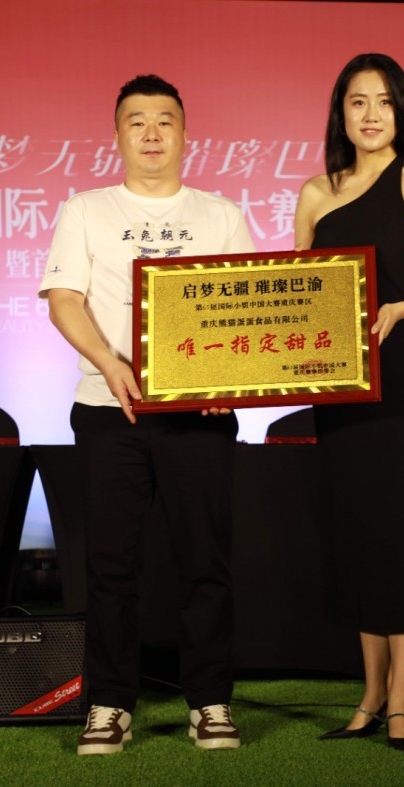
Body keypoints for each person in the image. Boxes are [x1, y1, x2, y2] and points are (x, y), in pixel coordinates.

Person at [39, 74, 256, 755]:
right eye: (137, 121)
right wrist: (110, 363)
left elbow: (245, 306)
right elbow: (65, 300)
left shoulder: (221, 214)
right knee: (110, 566)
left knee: (205, 562)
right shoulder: (85, 210)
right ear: (117, 136)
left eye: (165, 120)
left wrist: (228, 381)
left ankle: (210, 700)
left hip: (200, 415)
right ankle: (109, 703)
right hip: (109, 411)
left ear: (186, 135)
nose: (152, 133)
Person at [293, 53, 404, 752]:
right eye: (357, 102)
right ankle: (368, 695)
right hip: (338, 380)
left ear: (402, 110)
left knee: (398, 529)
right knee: (355, 530)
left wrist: (402, 308)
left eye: (384, 102)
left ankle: (400, 701)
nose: (370, 115)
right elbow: (299, 291)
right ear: (339, 113)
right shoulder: (316, 192)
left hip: (401, 372)